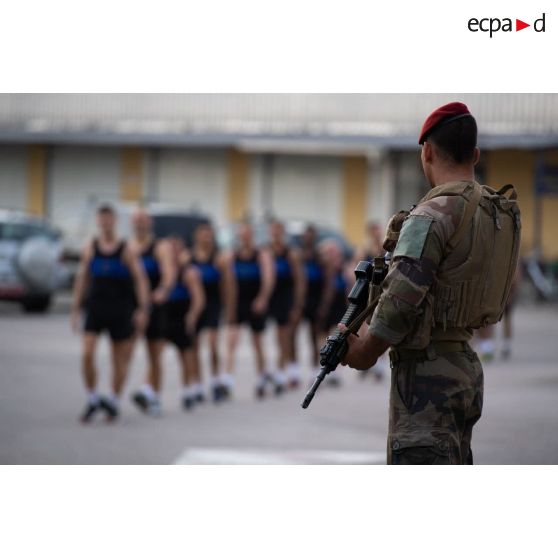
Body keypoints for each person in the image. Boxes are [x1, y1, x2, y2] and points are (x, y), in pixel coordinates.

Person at [340, 102, 520, 464]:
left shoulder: (429, 215)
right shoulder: (494, 211)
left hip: (426, 376)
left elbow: (401, 299)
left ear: (427, 152)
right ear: (476, 154)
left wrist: (364, 351)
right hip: (465, 366)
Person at [71, 204, 149, 423]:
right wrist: (76, 308)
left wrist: (143, 309)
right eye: (102, 220)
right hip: (96, 308)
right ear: (98, 222)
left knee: (119, 360)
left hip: (120, 310)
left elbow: (140, 280)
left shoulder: (126, 249)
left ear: (114, 221)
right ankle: (93, 397)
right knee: (87, 354)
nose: (106, 224)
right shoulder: (90, 247)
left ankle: (114, 400)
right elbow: (82, 279)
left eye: (109, 220)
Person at [128, 209, 176, 416]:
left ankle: (154, 395)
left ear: (150, 223)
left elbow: (169, 272)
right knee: (123, 351)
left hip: (154, 306)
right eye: (136, 220)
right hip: (130, 305)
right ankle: (122, 391)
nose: (140, 224)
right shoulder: (127, 247)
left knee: (154, 354)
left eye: (143, 220)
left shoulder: (160, 246)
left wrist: (163, 290)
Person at [225, 222, 275, 399]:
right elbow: (229, 282)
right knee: (231, 341)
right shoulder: (233, 255)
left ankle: (262, 376)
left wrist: (262, 298)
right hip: (239, 303)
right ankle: (227, 380)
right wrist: (230, 307)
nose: (244, 238)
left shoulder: (261, 254)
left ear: (251, 236)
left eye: (247, 235)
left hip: (255, 302)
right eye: (241, 235)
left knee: (257, 342)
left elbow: (268, 278)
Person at [190, 222, 235, 403]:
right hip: (195, 306)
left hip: (214, 305)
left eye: (209, 234)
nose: (206, 237)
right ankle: (198, 384)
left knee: (212, 344)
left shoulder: (220, 259)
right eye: (203, 234)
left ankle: (216, 381)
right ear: (197, 236)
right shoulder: (189, 257)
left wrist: (229, 308)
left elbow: (228, 286)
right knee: (194, 347)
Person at [165, 237, 205, 411]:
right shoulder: (164, 269)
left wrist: (192, 315)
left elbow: (198, 298)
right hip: (165, 314)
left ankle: (188, 388)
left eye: (176, 249)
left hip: (182, 314)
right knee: (156, 351)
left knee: (186, 354)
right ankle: (151, 388)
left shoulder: (188, 272)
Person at [267, 220, 306, 392]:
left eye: (278, 231)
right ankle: (286, 370)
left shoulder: (291, 254)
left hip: (287, 299)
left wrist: (297, 305)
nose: (275, 234)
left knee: (288, 336)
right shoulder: (266, 252)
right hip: (273, 299)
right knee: (280, 337)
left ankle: (284, 372)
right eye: (272, 231)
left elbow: (300, 281)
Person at [352, 221, 389, 382]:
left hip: (381, 290)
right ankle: (365, 355)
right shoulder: (364, 249)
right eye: (375, 231)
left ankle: (379, 362)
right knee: (365, 326)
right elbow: (357, 270)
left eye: (378, 231)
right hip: (368, 291)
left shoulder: (384, 249)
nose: (377, 233)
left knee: (380, 324)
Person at [293, 225, 327, 382]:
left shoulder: (320, 257)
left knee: (313, 337)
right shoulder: (297, 256)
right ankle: (293, 370)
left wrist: (324, 304)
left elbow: (328, 282)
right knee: (293, 335)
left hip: (315, 299)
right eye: (306, 236)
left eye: (311, 236)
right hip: (300, 301)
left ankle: (314, 369)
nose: (308, 239)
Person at [318, 239, 349, 387]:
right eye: (329, 253)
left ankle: (336, 371)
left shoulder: (344, 269)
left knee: (336, 337)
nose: (332, 256)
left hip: (339, 306)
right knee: (323, 337)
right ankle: (323, 365)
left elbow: (348, 288)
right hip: (326, 306)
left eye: (334, 253)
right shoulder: (323, 269)